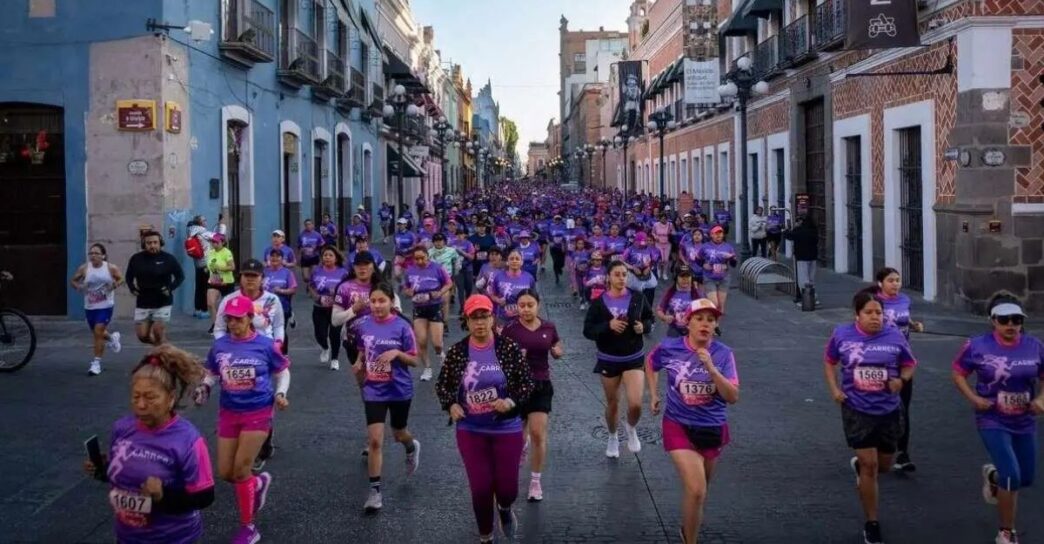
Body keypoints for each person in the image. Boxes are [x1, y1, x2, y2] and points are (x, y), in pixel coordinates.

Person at [83, 345, 215, 544]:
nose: (141, 404)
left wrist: (163, 496)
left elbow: (205, 497)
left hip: (174, 538)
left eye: (150, 397)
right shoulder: (122, 428)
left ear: (170, 398)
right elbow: (122, 478)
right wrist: (101, 469)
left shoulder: (188, 440)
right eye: (136, 396)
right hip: (127, 536)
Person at [435, 294, 533, 544]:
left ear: (492, 318)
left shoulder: (507, 348)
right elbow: (443, 386)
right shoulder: (458, 352)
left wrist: (510, 402)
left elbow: (526, 383)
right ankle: (486, 536)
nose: (480, 323)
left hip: (506, 428)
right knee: (480, 488)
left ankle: (504, 508)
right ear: (466, 321)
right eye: (474, 318)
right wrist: (451, 404)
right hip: (471, 429)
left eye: (484, 317)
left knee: (508, 488)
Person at [193, 295, 290, 544]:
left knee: (240, 470)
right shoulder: (220, 345)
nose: (233, 324)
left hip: (258, 411)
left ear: (250, 318)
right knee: (225, 472)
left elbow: (283, 370)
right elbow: (211, 373)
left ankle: (249, 528)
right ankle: (257, 484)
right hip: (229, 411)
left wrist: (280, 393)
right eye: (229, 319)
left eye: (238, 319)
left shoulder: (266, 345)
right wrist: (204, 388)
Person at [823, 288, 916, 544]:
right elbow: (829, 361)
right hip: (856, 407)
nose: (876, 317)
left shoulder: (895, 335)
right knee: (870, 466)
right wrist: (835, 389)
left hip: (888, 408)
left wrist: (901, 380)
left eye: (879, 312)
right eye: (869, 312)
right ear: (857, 315)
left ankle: (862, 468)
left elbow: (909, 364)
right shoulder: (842, 334)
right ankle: (872, 523)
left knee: (885, 465)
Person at [951, 295, 1044, 544]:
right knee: (1012, 475)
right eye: (1004, 320)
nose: (1011, 325)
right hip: (992, 417)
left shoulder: (1035, 345)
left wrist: (1041, 400)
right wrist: (973, 398)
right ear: (993, 321)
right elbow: (958, 373)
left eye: (1016, 320)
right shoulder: (977, 345)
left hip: (1023, 419)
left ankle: (993, 477)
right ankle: (1006, 532)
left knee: (1025, 478)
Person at [646, 298, 739, 544]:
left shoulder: (724, 354)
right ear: (688, 323)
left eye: (711, 320)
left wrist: (712, 369)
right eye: (699, 319)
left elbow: (732, 396)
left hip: (712, 427)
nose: (705, 324)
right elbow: (651, 362)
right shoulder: (670, 347)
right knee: (697, 489)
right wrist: (654, 393)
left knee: (699, 492)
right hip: (678, 424)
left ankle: (686, 530)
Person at [349, 283, 421, 513]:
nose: (377, 305)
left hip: (399, 389)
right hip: (374, 389)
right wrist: (359, 361)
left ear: (391, 302)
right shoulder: (363, 325)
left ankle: (411, 447)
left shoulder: (402, 326)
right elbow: (362, 347)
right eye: (374, 301)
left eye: (382, 301)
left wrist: (397, 354)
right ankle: (375, 492)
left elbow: (414, 361)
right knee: (375, 441)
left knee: (398, 433)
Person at [583, 260, 654, 457]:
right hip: (609, 359)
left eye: (624, 274)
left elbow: (650, 318)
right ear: (609, 277)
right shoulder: (598, 304)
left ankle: (631, 427)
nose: (621, 278)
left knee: (635, 403)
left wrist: (644, 327)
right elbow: (588, 330)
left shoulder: (637, 298)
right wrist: (608, 326)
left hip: (633, 357)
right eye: (617, 274)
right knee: (613, 403)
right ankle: (613, 436)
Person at [501, 290, 563, 502]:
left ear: (538, 305)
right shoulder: (509, 330)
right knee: (517, 436)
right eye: (522, 305)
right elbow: (499, 359)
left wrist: (556, 351)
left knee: (537, 432)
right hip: (516, 387)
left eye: (530, 305)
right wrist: (515, 358)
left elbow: (556, 345)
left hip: (540, 384)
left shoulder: (548, 327)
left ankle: (535, 481)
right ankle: (522, 446)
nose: (526, 309)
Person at [874, 267, 925, 472]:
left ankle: (903, 454)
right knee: (879, 407)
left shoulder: (904, 300)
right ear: (880, 284)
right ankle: (876, 448)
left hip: (903, 361)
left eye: (897, 280)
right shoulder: (874, 303)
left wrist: (914, 326)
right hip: (882, 362)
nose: (895, 284)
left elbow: (905, 320)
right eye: (890, 280)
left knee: (903, 408)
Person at [70, 243, 124, 375]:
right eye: (91, 253)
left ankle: (96, 363)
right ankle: (112, 338)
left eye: (96, 253)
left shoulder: (110, 268)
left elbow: (121, 278)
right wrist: (78, 287)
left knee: (98, 331)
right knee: (97, 332)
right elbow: (73, 280)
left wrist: (114, 285)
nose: (93, 255)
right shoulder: (84, 268)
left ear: (103, 256)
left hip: (106, 305)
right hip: (90, 306)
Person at [402, 245, 453, 382]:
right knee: (422, 340)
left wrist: (440, 292)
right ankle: (427, 368)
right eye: (416, 259)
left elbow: (448, 283)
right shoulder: (410, 270)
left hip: (435, 306)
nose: (419, 261)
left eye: (422, 258)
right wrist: (408, 292)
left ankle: (440, 353)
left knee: (437, 342)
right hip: (419, 308)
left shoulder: (437, 268)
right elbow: (405, 288)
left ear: (427, 256)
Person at [126, 230, 184, 346]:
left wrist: (170, 288)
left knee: (158, 332)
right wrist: (132, 288)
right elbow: (129, 276)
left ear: (160, 243)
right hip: (143, 301)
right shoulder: (136, 259)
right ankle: (164, 349)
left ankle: (164, 357)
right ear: (144, 245)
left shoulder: (168, 259)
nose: (152, 245)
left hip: (163, 301)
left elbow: (180, 276)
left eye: (155, 242)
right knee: (143, 336)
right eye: (149, 243)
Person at [309, 246, 349, 370]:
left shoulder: (343, 272)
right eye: (325, 255)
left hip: (336, 308)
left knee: (334, 334)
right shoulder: (317, 271)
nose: (327, 257)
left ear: (336, 258)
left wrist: (336, 294)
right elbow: (311, 286)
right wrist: (317, 297)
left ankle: (334, 359)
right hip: (319, 307)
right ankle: (325, 348)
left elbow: (348, 289)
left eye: (330, 255)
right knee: (319, 333)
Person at [696, 226, 737, 335]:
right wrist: (704, 265)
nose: (718, 236)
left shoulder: (728, 247)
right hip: (709, 277)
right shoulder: (705, 247)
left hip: (723, 278)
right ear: (711, 235)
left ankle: (716, 325)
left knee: (721, 305)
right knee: (714, 302)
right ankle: (710, 323)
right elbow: (698, 259)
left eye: (720, 233)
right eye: (716, 233)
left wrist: (732, 258)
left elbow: (733, 264)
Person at [187, 215, 224, 319]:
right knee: (205, 288)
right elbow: (219, 237)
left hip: (197, 263)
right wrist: (221, 225)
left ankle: (197, 309)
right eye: (204, 220)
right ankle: (204, 310)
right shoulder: (204, 233)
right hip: (205, 264)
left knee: (198, 287)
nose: (206, 221)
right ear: (200, 223)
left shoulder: (191, 231)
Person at [489, 249, 536, 328]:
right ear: (507, 262)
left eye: (517, 259)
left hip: (523, 318)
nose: (514, 261)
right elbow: (492, 294)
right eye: (511, 259)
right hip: (503, 318)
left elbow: (535, 299)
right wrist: (498, 300)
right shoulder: (499, 277)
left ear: (521, 262)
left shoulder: (529, 278)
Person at [263, 249, 298, 348]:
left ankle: (284, 353)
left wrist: (281, 291)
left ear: (282, 259)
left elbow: (293, 289)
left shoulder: (287, 273)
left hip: (282, 306)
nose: (274, 258)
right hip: (266, 307)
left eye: (277, 256)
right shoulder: (264, 272)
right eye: (272, 256)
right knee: (268, 330)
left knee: (280, 330)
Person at [656, 266, 701, 338]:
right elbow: (660, 309)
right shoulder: (669, 293)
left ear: (691, 278)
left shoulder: (697, 294)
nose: (685, 279)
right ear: (676, 278)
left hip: (692, 331)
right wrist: (664, 317)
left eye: (688, 276)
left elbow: (705, 312)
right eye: (682, 276)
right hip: (674, 329)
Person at [785, 214, 819, 305]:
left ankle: (806, 299)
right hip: (813, 256)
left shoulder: (799, 230)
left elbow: (788, 236)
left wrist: (792, 228)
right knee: (811, 278)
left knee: (803, 279)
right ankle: (813, 297)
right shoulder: (813, 230)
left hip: (802, 257)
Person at [206, 233, 236, 334]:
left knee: (228, 307)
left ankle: (228, 325)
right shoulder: (211, 252)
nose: (214, 244)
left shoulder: (226, 252)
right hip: (214, 281)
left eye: (216, 242)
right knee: (210, 303)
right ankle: (216, 325)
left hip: (226, 282)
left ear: (222, 242)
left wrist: (221, 268)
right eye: (213, 242)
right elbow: (210, 265)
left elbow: (232, 267)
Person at [429, 233, 460, 320]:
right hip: (433, 281)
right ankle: (435, 319)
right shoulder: (429, 252)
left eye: (440, 241)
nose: (438, 243)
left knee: (445, 300)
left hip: (446, 281)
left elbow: (457, 261)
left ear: (444, 242)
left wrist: (456, 272)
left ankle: (445, 322)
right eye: (436, 241)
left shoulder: (451, 251)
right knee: (434, 301)